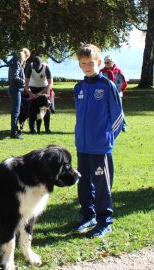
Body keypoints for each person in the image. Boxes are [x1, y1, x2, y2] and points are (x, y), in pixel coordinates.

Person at [72, 44, 123, 238]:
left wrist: (107, 138)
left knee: (102, 185)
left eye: (91, 63)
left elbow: (118, 117)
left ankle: (104, 221)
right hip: (82, 146)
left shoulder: (107, 85)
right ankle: (88, 215)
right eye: (83, 63)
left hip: (100, 147)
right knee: (83, 183)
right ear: (79, 65)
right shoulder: (79, 88)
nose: (87, 66)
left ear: (99, 63)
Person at [24, 56, 53, 134]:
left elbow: (50, 84)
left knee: (46, 109)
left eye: (37, 67)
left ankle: (47, 128)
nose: (36, 68)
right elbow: (26, 85)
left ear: (41, 64)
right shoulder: (30, 67)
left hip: (44, 88)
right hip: (32, 88)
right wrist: (31, 94)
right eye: (35, 67)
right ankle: (32, 129)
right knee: (32, 108)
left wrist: (41, 93)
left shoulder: (46, 67)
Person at [100, 55, 128, 131]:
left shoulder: (118, 71)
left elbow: (123, 82)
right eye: (105, 62)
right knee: (106, 110)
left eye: (108, 62)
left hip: (117, 93)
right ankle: (108, 125)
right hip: (106, 94)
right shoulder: (102, 72)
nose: (106, 64)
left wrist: (116, 90)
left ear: (112, 62)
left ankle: (123, 125)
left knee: (119, 109)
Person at [7, 48, 30, 139]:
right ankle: (14, 133)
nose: (26, 60)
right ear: (25, 56)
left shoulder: (15, 62)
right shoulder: (17, 63)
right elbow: (15, 77)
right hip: (15, 89)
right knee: (16, 112)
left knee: (16, 111)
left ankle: (15, 130)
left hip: (15, 89)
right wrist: (23, 81)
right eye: (27, 58)